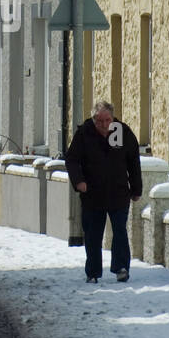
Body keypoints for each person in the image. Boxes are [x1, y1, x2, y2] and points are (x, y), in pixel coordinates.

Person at [64, 101, 141, 283]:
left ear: (113, 118)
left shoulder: (122, 132)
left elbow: (133, 162)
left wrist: (136, 188)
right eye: (100, 121)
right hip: (92, 193)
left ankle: (121, 267)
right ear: (93, 119)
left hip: (118, 191)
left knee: (120, 231)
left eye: (108, 120)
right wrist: (79, 181)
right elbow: (72, 160)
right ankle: (93, 272)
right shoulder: (84, 133)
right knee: (92, 234)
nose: (105, 125)